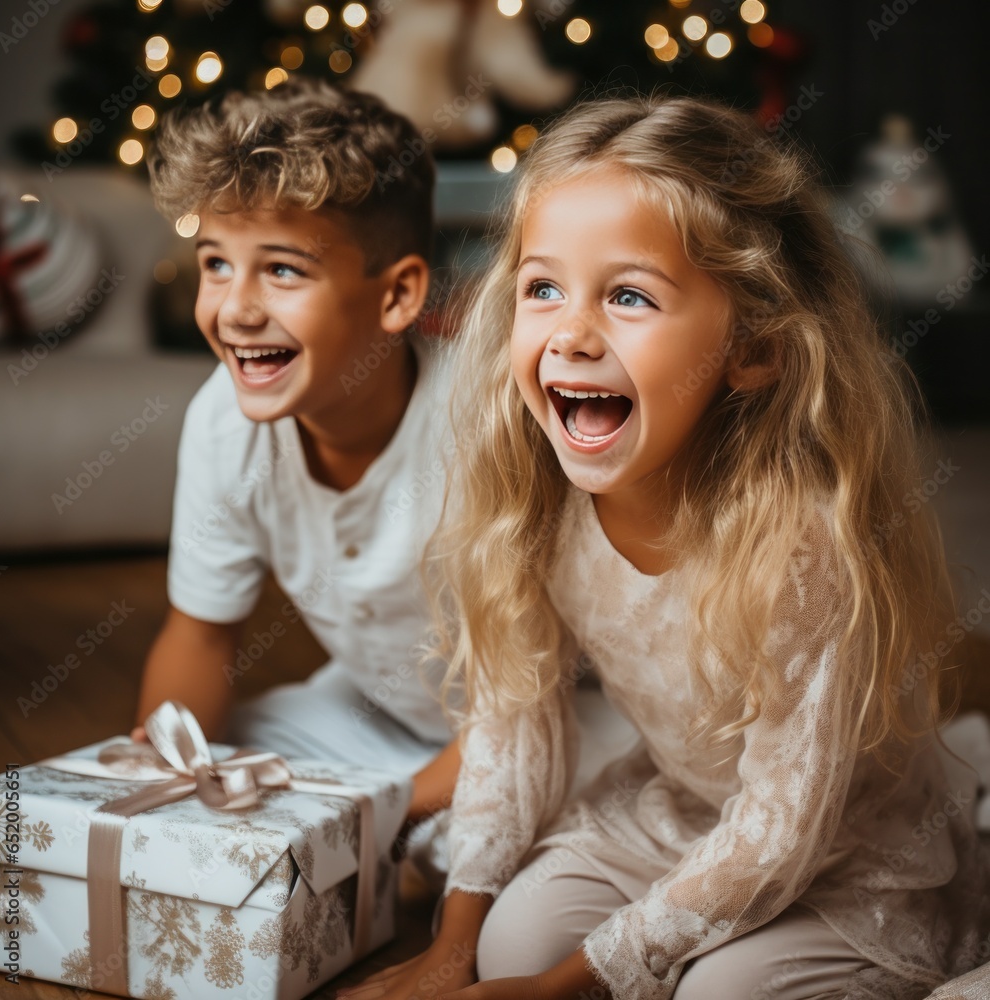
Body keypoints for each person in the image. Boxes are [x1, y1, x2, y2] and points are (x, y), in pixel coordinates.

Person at [340, 95, 989, 999]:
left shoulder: (799, 547)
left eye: (630, 295)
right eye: (543, 288)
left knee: (717, 994)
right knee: (511, 946)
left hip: (839, 852)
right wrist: (458, 940)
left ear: (753, 348)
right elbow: (512, 726)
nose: (570, 332)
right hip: (678, 814)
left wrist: (577, 982)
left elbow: (778, 830)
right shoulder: (539, 503)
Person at [135, 78, 460, 830]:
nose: (237, 310)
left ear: (396, 296)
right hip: (371, 710)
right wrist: (164, 781)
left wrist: (364, 824)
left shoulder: (480, 433)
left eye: (282, 269)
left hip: (541, 730)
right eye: (216, 264)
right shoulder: (223, 419)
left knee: (488, 872)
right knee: (226, 763)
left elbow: (526, 714)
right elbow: (201, 632)